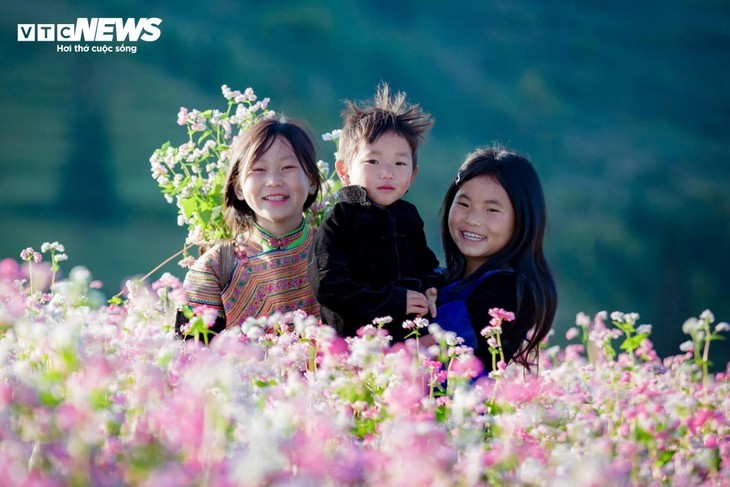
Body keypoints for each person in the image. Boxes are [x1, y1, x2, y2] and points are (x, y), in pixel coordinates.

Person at [307, 83, 440, 341]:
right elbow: (328, 286)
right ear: (344, 170)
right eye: (373, 161)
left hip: (408, 343)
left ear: (412, 175)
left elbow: (427, 266)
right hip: (354, 346)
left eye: (400, 163)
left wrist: (431, 288)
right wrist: (393, 300)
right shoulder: (341, 220)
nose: (387, 172)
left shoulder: (409, 217)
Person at [177, 117, 323, 337]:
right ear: (238, 188)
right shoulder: (214, 269)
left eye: (287, 167)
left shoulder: (338, 252)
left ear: (311, 180)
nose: (273, 180)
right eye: (258, 169)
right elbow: (190, 358)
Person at [435, 147, 557, 371]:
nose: (473, 220)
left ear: (522, 219)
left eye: (492, 210)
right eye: (463, 204)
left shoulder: (506, 291)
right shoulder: (441, 278)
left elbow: (428, 347)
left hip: (455, 404)